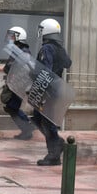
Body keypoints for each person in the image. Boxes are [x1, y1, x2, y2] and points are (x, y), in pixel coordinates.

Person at [32, 18, 72, 166]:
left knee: (46, 122)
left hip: (48, 90)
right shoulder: (58, 48)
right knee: (37, 118)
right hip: (57, 89)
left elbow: (45, 71)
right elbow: (68, 63)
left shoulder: (46, 48)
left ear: (46, 30)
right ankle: (57, 142)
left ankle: (54, 154)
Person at [0, 26, 35, 140]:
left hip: (18, 85)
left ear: (19, 37)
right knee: (11, 107)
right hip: (18, 84)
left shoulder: (21, 52)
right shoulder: (20, 50)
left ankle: (28, 126)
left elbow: (10, 68)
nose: (10, 38)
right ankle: (27, 130)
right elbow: (9, 67)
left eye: (12, 36)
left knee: (12, 107)